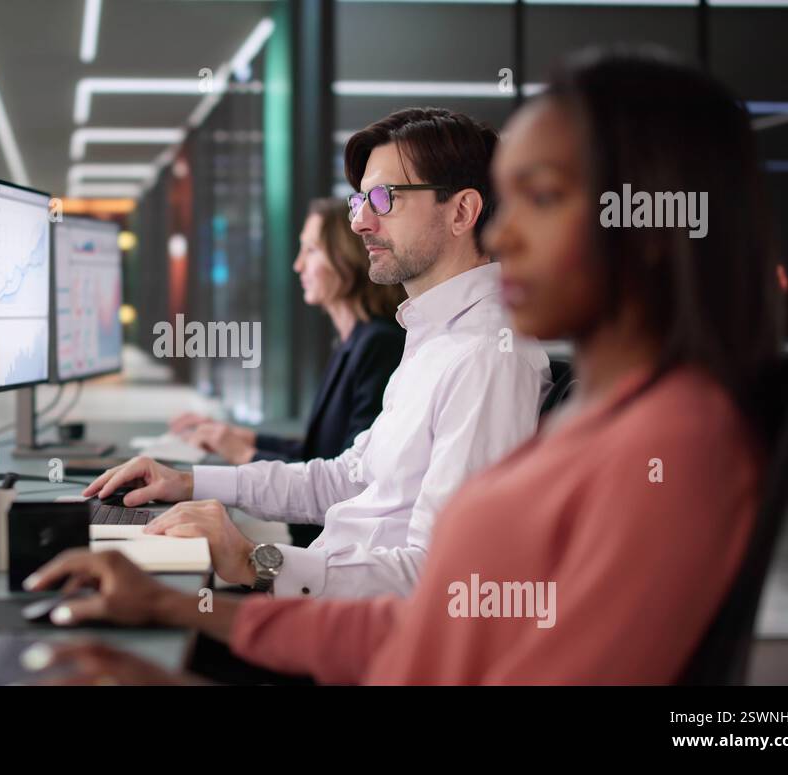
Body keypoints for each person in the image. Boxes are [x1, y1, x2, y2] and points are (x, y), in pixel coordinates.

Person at [23, 46, 782, 685]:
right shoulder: (584, 409)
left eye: (540, 198)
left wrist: (247, 572)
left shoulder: (665, 447)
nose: (507, 233)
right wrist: (181, 607)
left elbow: (431, 622)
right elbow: (421, 625)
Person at [83, 108, 551, 600]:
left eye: (383, 199)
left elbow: (444, 577)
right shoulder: (434, 336)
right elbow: (345, 478)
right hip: (321, 602)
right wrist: (188, 481)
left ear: (461, 212)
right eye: (359, 201)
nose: (360, 222)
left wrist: (251, 560)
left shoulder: (486, 356)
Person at [171, 198, 406, 547]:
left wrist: (243, 455)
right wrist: (247, 438)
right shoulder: (352, 342)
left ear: (348, 258)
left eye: (311, 250)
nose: (298, 265)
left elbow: (349, 478)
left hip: (336, 555)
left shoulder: (379, 345)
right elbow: (323, 453)